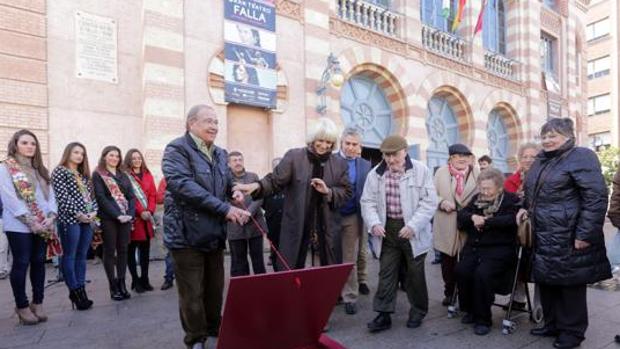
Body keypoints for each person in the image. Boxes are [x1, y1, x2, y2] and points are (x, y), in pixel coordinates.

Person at [162, 104, 248, 349]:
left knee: (214, 289)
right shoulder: (176, 149)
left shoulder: (220, 153)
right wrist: (225, 209)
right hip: (185, 234)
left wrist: (233, 192)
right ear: (192, 123)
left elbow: (228, 180)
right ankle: (195, 338)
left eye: (216, 122)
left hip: (213, 232)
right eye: (208, 121)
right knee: (192, 293)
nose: (214, 126)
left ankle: (213, 328)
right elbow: (183, 186)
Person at [520, 118, 611, 349]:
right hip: (544, 234)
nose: (547, 140)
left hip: (568, 234)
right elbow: (533, 193)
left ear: (568, 136)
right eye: (544, 136)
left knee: (570, 286)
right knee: (548, 281)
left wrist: (584, 235)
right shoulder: (541, 159)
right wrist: (523, 207)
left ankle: (572, 333)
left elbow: (596, 198)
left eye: (553, 135)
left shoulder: (581, 156)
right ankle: (552, 324)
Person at [234, 117, 352, 270]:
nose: (324, 146)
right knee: (293, 273)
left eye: (329, 142)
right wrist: (257, 185)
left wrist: (328, 191)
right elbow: (275, 181)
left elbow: (347, 192)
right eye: (321, 140)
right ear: (313, 138)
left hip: (327, 230)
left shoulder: (339, 163)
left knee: (326, 277)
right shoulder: (294, 157)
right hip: (297, 226)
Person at [362, 135, 437, 332]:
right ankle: (383, 314)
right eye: (387, 155)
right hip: (387, 229)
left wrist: (413, 225)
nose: (390, 159)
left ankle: (418, 311)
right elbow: (367, 202)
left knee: (415, 273)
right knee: (386, 272)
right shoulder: (375, 174)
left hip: (413, 230)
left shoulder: (421, 171)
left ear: (405, 151)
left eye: (394, 154)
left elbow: (429, 202)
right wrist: (374, 223)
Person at [0, 129, 59, 325]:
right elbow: (8, 198)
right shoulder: (6, 168)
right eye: (25, 143)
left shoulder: (40, 169)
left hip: (42, 223)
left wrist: (50, 216)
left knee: (39, 262)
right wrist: (30, 220)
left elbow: (50, 197)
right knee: (22, 262)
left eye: (33, 143)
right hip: (19, 224)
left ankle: (38, 302)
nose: (29, 146)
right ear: (15, 144)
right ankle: (22, 305)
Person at [456, 168, 519, 336]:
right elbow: (462, 215)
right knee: (462, 270)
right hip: (475, 247)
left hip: (499, 249)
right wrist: (472, 217)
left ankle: (483, 319)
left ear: (499, 187)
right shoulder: (476, 199)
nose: (484, 192)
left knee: (482, 274)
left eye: (488, 188)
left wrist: (486, 221)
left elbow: (512, 220)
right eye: (482, 188)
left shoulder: (510, 200)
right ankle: (470, 310)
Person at [51, 142, 98, 310]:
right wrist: (78, 213)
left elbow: (92, 197)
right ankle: (74, 290)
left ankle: (81, 289)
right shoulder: (60, 171)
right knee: (69, 255)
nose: (79, 156)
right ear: (68, 153)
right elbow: (62, 197)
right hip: (70, 219)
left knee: (82, 255)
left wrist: (93, 213)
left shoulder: (83, 174)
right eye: (76, 152)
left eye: (82, 153)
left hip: (87, 219)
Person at [433, 144, 479, 306]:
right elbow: (430, 194)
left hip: (468, 223)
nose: (462, 158)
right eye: (458, 155)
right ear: (450, 158)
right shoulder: (441, 172)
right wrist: (442, 202)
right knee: (448, 260)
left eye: (466, 156)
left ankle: (466, 293)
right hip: (447, 220)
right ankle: (450, 292)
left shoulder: (476, 172)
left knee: (468, 260)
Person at [93, 146, 136, 301]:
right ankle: (113, 286)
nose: (114, 158)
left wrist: (130, 214)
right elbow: (101, 197)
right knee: (110, 251)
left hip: (125, 218)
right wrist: (117, 215)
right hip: (109, 218)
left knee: (123, 250)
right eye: (111, 155)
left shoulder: (123, 175)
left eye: (117, 156)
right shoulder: (98, 174)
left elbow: (131, 196)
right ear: (104, 156)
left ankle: (122, 283)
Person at [338, 127, 371, 315]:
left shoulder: (365, 165)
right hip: (331, 217)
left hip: (352, 216)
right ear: (341, 143)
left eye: (354, 144)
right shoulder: (330, 160)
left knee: (349, 257)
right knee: (329, 257)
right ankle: (333, 292)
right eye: (347, 143)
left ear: (360, 146)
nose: (351, 147)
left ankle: (350, 296)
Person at [503, 142, 539, 310]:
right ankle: (518, 299)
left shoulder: (545, 176)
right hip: (517, 229)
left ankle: (540, 305)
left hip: (541, 229)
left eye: (533, 156)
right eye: (525, 156)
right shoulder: (512, 180)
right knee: (518, 264)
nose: (528, 160)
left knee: (540, 267)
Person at [227, 151, 267, 276]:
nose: (238, 163)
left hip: (255, 225)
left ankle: (263, 290)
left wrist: (248, 212)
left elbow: (260, 197)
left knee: (258, 262)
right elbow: (221, 199)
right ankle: (244, 292)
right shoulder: (225, 179)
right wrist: (237, 214)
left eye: (240, 160)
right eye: (234, 160)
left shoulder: (253, 176)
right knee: (239, 263)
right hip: (235, 226)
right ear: (229, 164)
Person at [123, 149, 157, 293]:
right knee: (131, 252)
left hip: (146, 219)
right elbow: (128, 197)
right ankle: (135, 281)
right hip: (134, 219)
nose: (137, 160)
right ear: (128, 160)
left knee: (145, 251)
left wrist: (149, 210)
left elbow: (153, 195)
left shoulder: (148, 175)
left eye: (139, 158)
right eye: (133, 158)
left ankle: (145, 279)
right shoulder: (125, 176)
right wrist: (140, 211)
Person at [261, 158, 284, 269]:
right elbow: (262, 202)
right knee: (275, 248)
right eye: (276, 166)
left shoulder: (289, 180)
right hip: (273, 220)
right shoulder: (267, 181)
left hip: (288, 221)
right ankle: (276, 270)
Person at [156, 178, 175, 290]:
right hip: (172, 219)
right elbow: (159, 198)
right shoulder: (166, 179)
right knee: (171, 250)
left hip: (191, 219)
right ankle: (169, 278)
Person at [0, 196, 12, 280]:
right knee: (2, 246)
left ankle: (10, 267)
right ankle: (2, 269)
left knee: (12, 245)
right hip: (2, 218)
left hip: (9, 217)